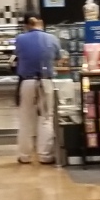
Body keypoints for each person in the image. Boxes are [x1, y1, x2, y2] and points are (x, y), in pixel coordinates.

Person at [14, 17, 62, 165]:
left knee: (25, 119)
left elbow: (18, 56)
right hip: (45, 81)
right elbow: (58, 58)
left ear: (27, 25)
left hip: (27, 82)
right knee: (46, 119)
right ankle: (45, 156)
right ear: (41, 24)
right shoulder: (52, 38)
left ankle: (24, 156)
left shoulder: (20, 39)